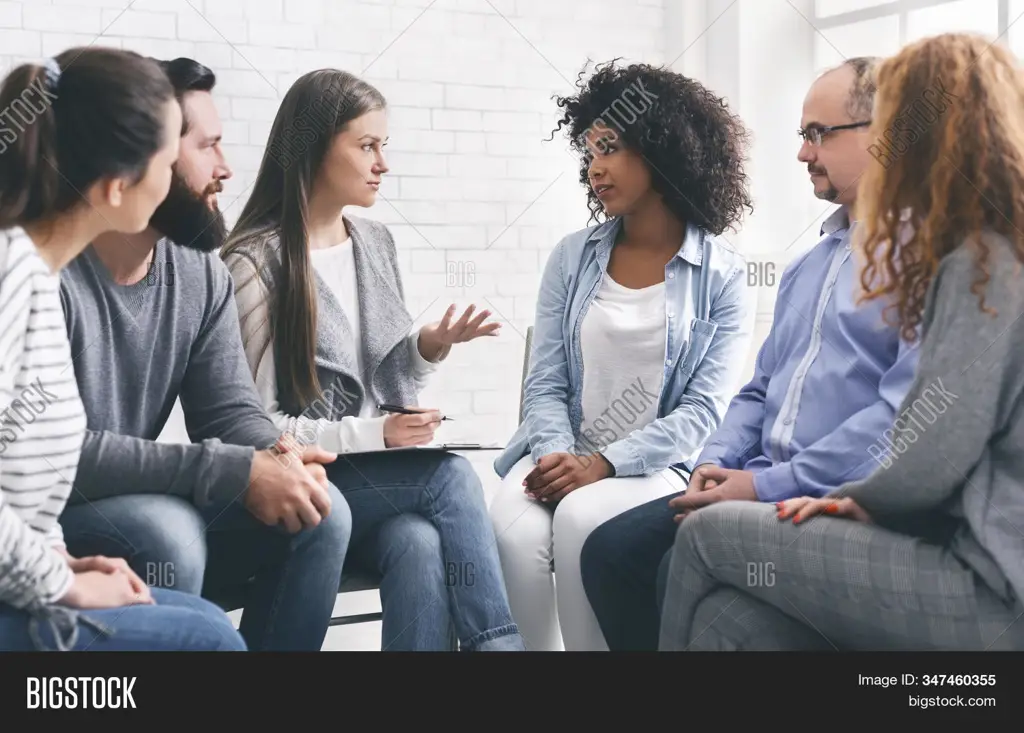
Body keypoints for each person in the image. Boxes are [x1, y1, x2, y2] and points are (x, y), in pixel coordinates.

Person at [660, 32, 1024, 652]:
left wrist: (857, 498)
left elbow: (933, 442)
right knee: (730, 623)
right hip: (960, 552)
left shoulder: (984, 260)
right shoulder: (987, 247)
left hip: (994, 585)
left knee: (700, 537)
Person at [580, 56, 921, 650]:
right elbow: (760, 390)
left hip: (826, 497)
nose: (802, 153)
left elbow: (897, 421)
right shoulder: (808, 267)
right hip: (754, 480)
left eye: (819, 134)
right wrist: (713, 463)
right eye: (802, 135)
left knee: (668, 571)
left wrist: (760, 488)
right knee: (609, 551)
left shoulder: (924, 264)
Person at [222, 68, 524, 652]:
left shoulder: (375, 242)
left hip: (375, 484)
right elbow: (257, 430)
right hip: (303, 482)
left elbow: (388, 384)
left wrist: (426, 348)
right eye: (366, 145)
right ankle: (501, 650)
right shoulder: (253, 263)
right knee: (452, 478)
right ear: (312, 148)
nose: (381, 163)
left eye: (384, 146)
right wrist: (376, 434)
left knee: (418, 542)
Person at [55, 57, 350, 652]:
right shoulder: (47, 271)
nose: (226, 169)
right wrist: (233, 469)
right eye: (206, 146)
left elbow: (227, 413)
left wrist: (275, 452)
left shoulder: (200, 276)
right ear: (136, 158)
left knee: (322, 510)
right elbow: (52, 451)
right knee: (167, 532)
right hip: (50, 511)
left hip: (138, 487)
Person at [488, 61, 757, 651]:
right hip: (558, 453)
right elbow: (546, 380)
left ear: (661, 151)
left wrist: (605, 463)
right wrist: (559, 454)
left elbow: (703, 411)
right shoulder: (572, 256)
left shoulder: (724, 275)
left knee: (583, 521)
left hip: (652, 467)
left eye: (609, 149)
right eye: (589, 154)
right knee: (511, 528)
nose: (595, 169)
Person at [0, 48, 244, 651]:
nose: (173, 182)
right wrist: (59, 580)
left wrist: (63, 562)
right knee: (210, 645)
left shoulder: (39, 274)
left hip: (25, 580)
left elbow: (20, 490)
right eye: (166, 161)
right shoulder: (11, 273)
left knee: (209, 625)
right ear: (116, 188)